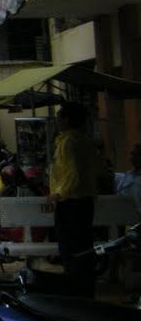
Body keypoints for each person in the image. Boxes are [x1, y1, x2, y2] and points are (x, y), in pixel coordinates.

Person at [48, 102, 98, 298]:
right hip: (83, 202)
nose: (58, 121)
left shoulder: (69, 142)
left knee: (71, 251)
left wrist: (58, 194)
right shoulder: (83, 140)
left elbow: (72, 174)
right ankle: (84, 292)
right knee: (83, 250)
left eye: (60, 117)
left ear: (67, 119)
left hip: (71, 203)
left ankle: (77, 295)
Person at [115, 144, 141, 216]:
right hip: (122, 216)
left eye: (134, 155)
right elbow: (119, 192)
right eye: (131, 154)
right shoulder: (128, 175)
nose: (131, 158)